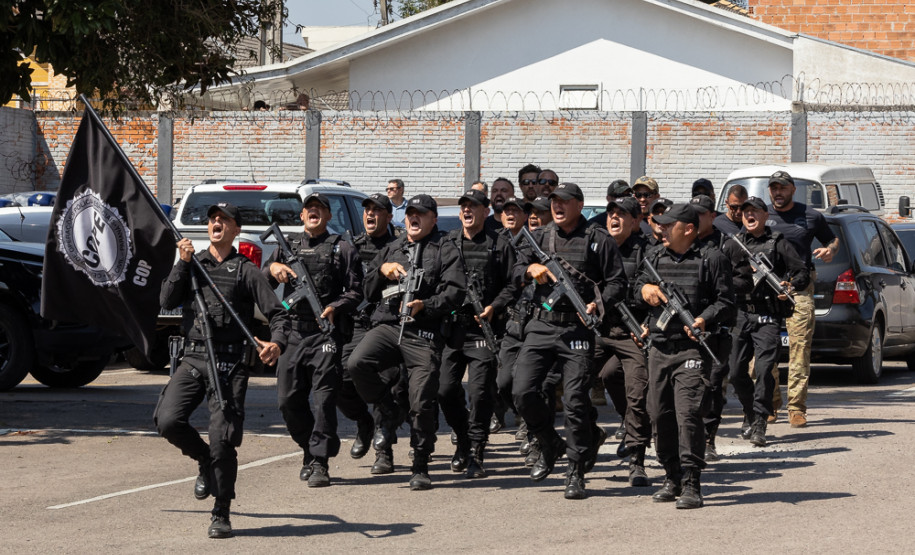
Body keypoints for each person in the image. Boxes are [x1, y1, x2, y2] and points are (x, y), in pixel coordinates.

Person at [155, 202, 289, 539]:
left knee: (223, 439)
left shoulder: (246, 270)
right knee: (168, 420)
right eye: (213, 219)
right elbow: (167, 300)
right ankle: (203, 461)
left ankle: (221, 510)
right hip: (194, 358)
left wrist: (277, 342)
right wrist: (181, 264)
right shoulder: (192, 264)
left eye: (224, 220)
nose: (216, 223)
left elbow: (278, 313)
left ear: (236, 229)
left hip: (229, 364)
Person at [512, 182, 627, 500]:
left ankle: (575, 471)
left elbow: (618, 282)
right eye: (554, 202)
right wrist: (529, 269)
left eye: (564, 201)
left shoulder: (597, 239)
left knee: (576, 402)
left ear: (579, 204)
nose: (557, 207)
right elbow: (515, 267)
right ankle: (549, 442)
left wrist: (596, 303)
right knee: (522, 391)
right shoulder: (540, 236)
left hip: (577, 330)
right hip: (541, 324)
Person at [347, 194, 466, 490]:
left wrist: (427, 304)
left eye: (421, 214)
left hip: (422, 331)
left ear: (433, 219)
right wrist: (381, 270)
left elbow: (455, 292)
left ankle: (420, 464)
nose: (414, 218)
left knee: (422, 399)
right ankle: (387, 409)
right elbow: (368, 290)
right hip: (388, 325)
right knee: (357, 363)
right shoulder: (394, 247)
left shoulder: (446, 249)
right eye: (410, 213)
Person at [635, 203, 735, 509]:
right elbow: (635, 287)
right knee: (659, 415)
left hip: (692, 348)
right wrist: (645, 290)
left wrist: (704, 318)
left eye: (669, 225)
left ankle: (693, 482)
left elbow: (727, 302)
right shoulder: (653, 256)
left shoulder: (712, 258)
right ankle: (672, 477)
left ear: (688, 229)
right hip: (660, 348)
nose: (662, 229)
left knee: (688, 414)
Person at [264, 192, 363, 488]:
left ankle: (320, 461)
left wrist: (336, 306)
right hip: (292, 331)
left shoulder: (342, 248)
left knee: (323, 402)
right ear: (302, 215)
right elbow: (262, 284)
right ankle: (309, 448)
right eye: (309, 209)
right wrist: (272, 268)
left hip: (324, 334)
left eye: (320, 209)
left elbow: (356, 291)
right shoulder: (286, 247)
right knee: (287, 401)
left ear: (329, 216)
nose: (314, 212)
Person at [439, 189, 516, 478]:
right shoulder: (448, 243)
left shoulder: (500, 244)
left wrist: (495, 306)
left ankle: (476, 450)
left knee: (480, 392)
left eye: (474, 206)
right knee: (445, 391)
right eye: (464, 207)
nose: (467, 210)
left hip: (484, 330)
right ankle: (463, 439)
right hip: (453, 330)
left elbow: (512, 284)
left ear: (486, 211)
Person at [725, 196, 809, 447]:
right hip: (740, 314)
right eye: (745, 212)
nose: (749, 215)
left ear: (764, 215)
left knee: (762, 370)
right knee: (735, 371)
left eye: (754, 211)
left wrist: (790, 285)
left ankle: (760, 420)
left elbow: (801, 271)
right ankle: (749, 411)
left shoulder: (778, 243)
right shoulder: (733, 244)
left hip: (767, 316)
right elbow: (718, 273)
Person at [336, 193, 407, 475]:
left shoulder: (398, 246)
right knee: (340, 375)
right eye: (367, 210)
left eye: (377, 210)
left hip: (387, 322)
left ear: (389, 216)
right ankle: (363, 422)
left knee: (387, 382)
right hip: (357, 322)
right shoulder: (352, 245)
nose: (370, 214)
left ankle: (383, 451)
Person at [766, 171, 838, 427]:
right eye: (773, 187)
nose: (777, 192)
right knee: (761, 355)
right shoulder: (761, 215)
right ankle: (770, 403)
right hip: (767, 291)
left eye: (782, 188)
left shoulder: (810, 215)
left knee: (799, 350)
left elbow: (832, 239)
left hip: (799, 289)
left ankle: (796, 408)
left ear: (792, 190)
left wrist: (829, 250)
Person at [592, 196, 653, 486]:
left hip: (632, 333)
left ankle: (636, 460)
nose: (614, 218)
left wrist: (647, 324)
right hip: (599, 331)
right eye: (611, 213)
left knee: (637, 395)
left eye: (622, 214)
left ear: (636, 221)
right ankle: (592, 435)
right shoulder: (597, 248)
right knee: (583, 381)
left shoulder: (646, 252)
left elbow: (659, 294)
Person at [689, 194, 736, 462]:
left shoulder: (726, 245)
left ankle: (708, 437)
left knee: (713, 385)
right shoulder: (683, 241)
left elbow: (740, 283)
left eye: (701, 213)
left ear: (712, 216)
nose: (695, 218)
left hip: (717, 329)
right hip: (686, 329)